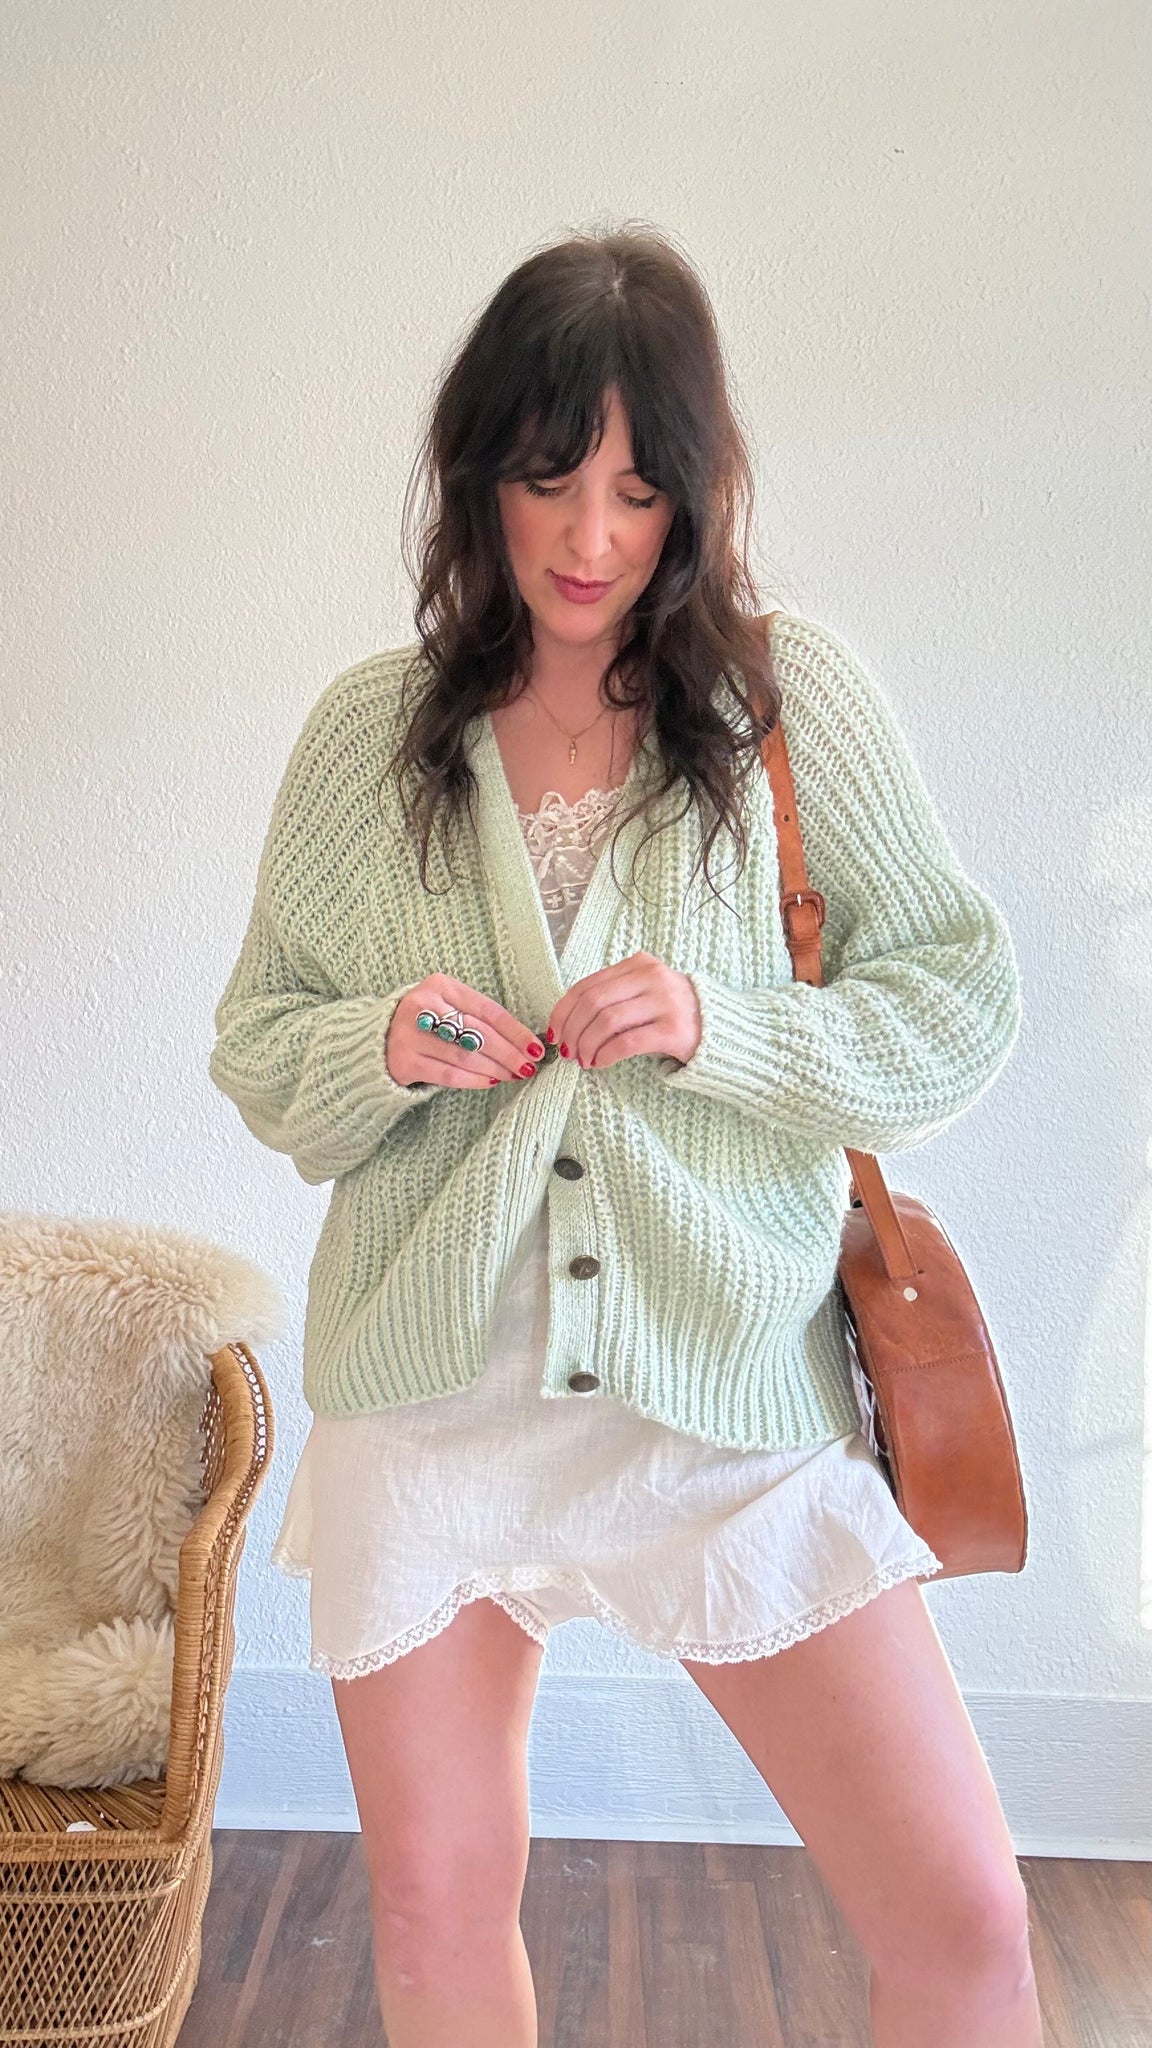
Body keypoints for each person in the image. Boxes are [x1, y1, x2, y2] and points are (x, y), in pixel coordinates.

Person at [209, 226, 1042, 2048]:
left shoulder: (781, 705)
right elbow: (262, 1050)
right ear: (478, 475)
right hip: (436, 1389)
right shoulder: (371, 738)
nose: (591, 538)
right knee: (435, 1908)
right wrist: (381, 1044)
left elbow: (957, 1004)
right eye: (548, 480)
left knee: (966, 1920)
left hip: (724, 1384)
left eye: (640, 491)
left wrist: (723, 1025)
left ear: (695, 494)